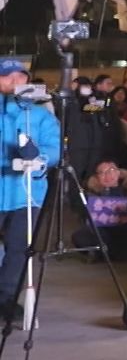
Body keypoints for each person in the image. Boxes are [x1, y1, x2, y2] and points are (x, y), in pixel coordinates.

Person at [0, 60, 61, 326]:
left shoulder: (39, 115)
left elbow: (55, 149)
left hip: (26, 194)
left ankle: (6, 300)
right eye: (7, 77)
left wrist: (39, 157)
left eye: (20, 76)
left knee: (18, 251)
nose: (14, 81)